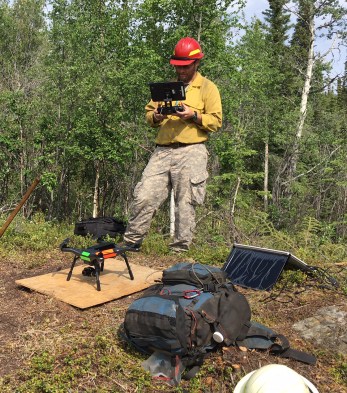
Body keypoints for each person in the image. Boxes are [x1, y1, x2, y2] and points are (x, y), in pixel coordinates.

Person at [123, 37, 222, 252]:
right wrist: (157, 116)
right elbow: (149, 114)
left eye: (185, 66)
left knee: (185, 203)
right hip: (163, 150)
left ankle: (178, 252)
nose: (181, 71)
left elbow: (216, 121)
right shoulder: (166, 88)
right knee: (144, 195)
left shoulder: (207, 88)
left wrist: (193, 115)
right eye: (178, 66)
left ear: (196, 63)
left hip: (192, 150)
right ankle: (130, 244)